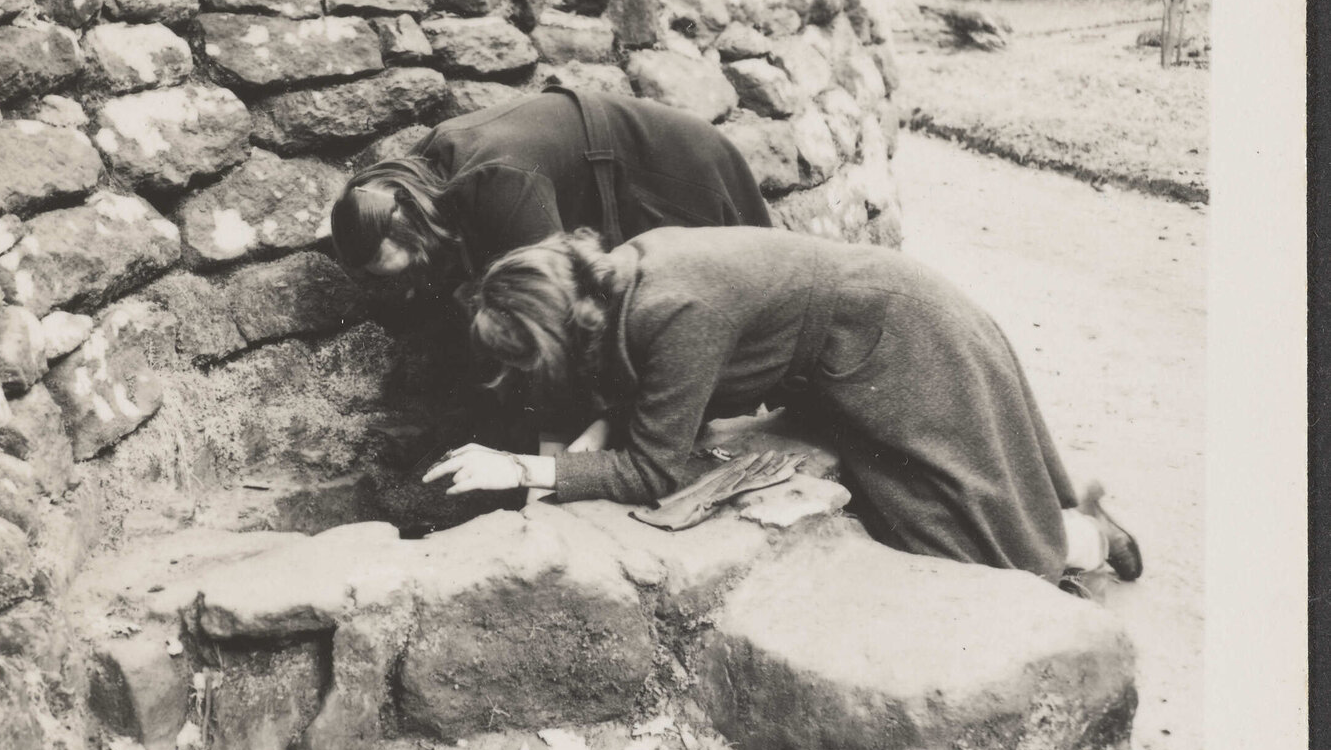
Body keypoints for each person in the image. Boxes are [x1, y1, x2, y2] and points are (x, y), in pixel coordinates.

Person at [422, 226, 1142, 586]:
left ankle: (1093, 539)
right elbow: (643, 382)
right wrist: (600, 428)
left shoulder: (677, 307)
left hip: (901, 338)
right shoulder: (622, 274)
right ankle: (1068, 524)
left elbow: (654, 471)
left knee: (980, 545)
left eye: (529, 354)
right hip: (842, 354)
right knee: (904, 512)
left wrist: (523, 472)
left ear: (562, 321)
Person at [329, 84, 772, 289]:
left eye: (412, 263)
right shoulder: (419, 179)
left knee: (739, 292)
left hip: (671, 171)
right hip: (608, 178)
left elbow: (554, 304)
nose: (412, 281)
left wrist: (552, 454)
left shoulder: (496, 181)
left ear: (412, 219)